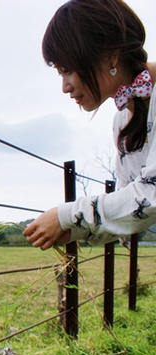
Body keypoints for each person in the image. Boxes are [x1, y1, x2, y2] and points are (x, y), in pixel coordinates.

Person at [23, 0, 156, 250]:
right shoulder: (122, 122)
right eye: (60, 73)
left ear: (110, 57)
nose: (65, 87)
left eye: (68, 70)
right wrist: (72, 229)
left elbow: (151, 196)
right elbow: (131, 212)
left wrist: (66, 216)